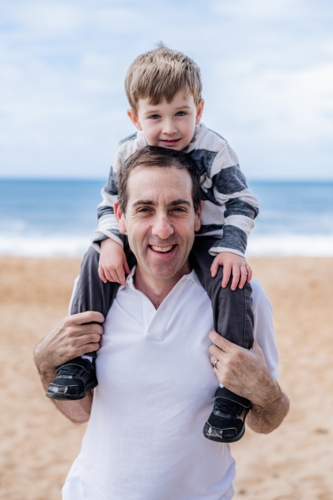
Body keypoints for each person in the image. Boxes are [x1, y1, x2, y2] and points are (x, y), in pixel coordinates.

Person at [34, 147, 289, 500]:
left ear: (199, 214)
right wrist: (46, 365)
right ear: (120, 217)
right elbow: (80, 412)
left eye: (178, 208)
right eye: (144, 209)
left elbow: (268, 420)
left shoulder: (242, 296)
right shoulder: (96, 289)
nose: (162, 228)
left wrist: (262, 389)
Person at [46, 44, 260, 443]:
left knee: (232, 282)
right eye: (155, 116)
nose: (169, 128)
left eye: (182, 113)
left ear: (199, 108)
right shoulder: (127, 150)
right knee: (95, 260)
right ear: (134, 117)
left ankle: (231, 394)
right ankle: (80, 361)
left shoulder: (214, 148)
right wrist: (110, 240)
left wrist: (233, 247)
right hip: (139, 234)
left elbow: (241, 201)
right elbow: (110, 204)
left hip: (206, 236)